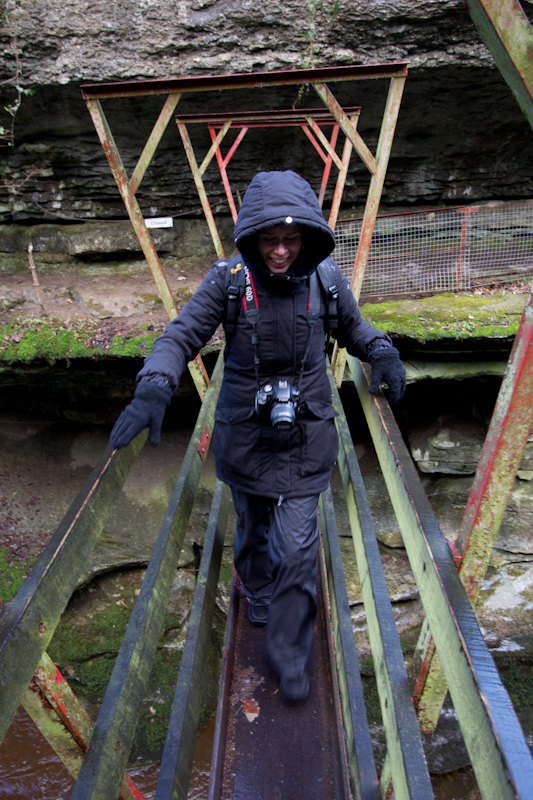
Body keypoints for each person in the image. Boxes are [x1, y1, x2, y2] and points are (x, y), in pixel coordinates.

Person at [110, 170, 406, 702]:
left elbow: (355, 328)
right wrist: (154, 385)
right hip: (246, 434)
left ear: (308, 238)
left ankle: (290, 652)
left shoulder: (326, 279)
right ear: (251, 238)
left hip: (306, 434)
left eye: (291, 240)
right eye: (269, 240)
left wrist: (382, 350)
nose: (280, 251)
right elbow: (181, 336)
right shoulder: (228, 279)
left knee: (296, 545)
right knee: (252, 528)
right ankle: (257, 587)